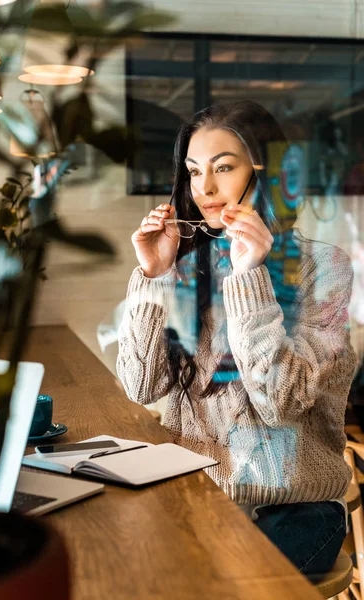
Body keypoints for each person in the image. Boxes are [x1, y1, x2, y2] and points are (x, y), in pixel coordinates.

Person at [116, 100, 358, 580]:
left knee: (217, 585)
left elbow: (280, 403)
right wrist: (153, 276)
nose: (203, 188)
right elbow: (140, 387)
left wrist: (248, 276)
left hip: (297, 507)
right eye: (193, 171)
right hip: (196, 495)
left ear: (264, 172)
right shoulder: (187, 270)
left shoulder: (324, 269)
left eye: (223, 168)